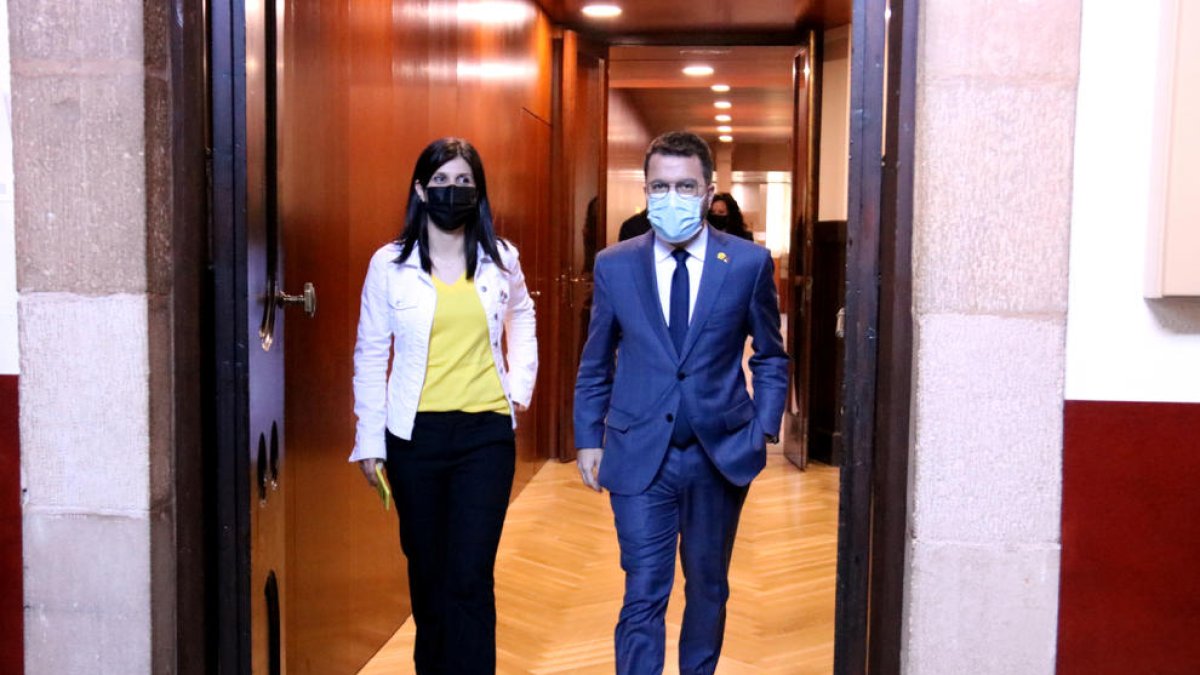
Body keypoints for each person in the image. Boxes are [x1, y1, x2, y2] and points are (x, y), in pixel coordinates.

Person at [573, 131, 788, 675]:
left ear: (709, 189)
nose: (673, 197)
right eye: (661, 186)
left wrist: (762, 426)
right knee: (643, 589)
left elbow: (770, 355)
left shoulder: (747, 263)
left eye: (685, 185)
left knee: (709, 587)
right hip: (639, 451)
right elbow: (596, 361)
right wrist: (587, 438)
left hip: (719, 453)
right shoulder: (614, 264)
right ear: (646, 192)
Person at [350, 137, 537, 674]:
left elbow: (522, 316)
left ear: (478, 194)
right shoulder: (389, 265)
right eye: (440, 183)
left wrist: (519, 387)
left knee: (471, 573)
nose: (451, 193)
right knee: (428, 573)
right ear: (419, 190)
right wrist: (370, 440)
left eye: (463, 183)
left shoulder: (501, 260)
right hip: (415, 439)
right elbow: (370, 352)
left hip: (486, 436)